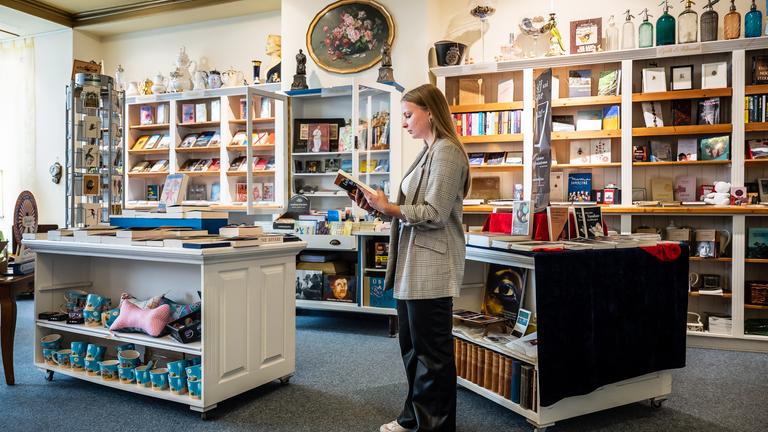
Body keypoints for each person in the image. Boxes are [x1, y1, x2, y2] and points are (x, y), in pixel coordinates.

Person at [352, 84, 469, 432]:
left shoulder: (447, 152)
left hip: (431, 266)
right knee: (413, 350)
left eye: (407, 115)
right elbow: (410, 210)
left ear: (430, 112)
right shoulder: (428, 151)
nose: (403, 123)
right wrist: (378, 207)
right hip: (413, 264)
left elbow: (434, 212)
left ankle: (434, 426)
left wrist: (390, 207)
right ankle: (414, 417)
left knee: (431, 354)